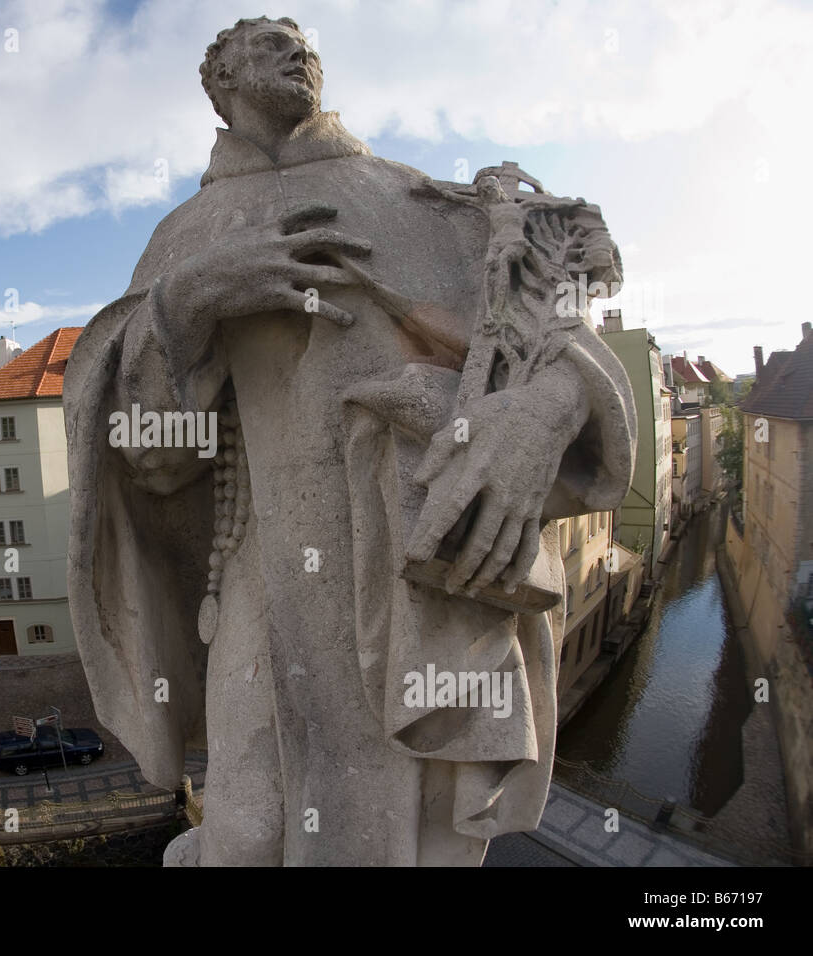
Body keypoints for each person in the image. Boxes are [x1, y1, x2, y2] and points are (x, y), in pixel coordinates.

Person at [65, 16, 635, 866]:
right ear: (217, 82)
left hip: (419, 568)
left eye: (304, 40)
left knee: (409, 836)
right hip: (260, 574)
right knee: (249, 833)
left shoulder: (420, 201)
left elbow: (565, 343)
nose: (300, 49)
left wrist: (541, 415)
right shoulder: (183, 240)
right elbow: (151, 459)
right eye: (266, 40)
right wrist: (189, 303)